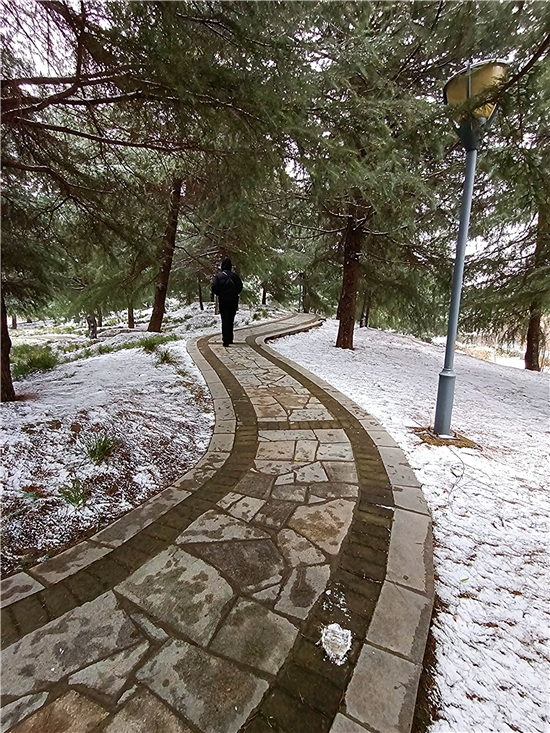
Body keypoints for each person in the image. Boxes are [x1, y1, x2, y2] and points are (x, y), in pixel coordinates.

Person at [211, 257, 243, 347]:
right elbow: (240, 287)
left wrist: (220, 293)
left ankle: (225, 339)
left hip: (223, 300)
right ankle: (230, 338)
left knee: (225, 319)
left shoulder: (219, 276)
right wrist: (234, 293)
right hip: (233, 300)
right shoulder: (235, 276)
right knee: (231, 319)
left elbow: (214, 288)